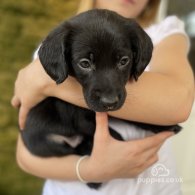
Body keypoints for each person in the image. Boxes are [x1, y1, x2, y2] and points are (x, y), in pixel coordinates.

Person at [12, 0, 194, 194]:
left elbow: (179, 102)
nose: (108, 98)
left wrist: (44, 81)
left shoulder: (163, 35)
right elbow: (26, 154)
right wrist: (90, 170)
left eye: (123, 61)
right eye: (85, 63)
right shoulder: (63, 40)